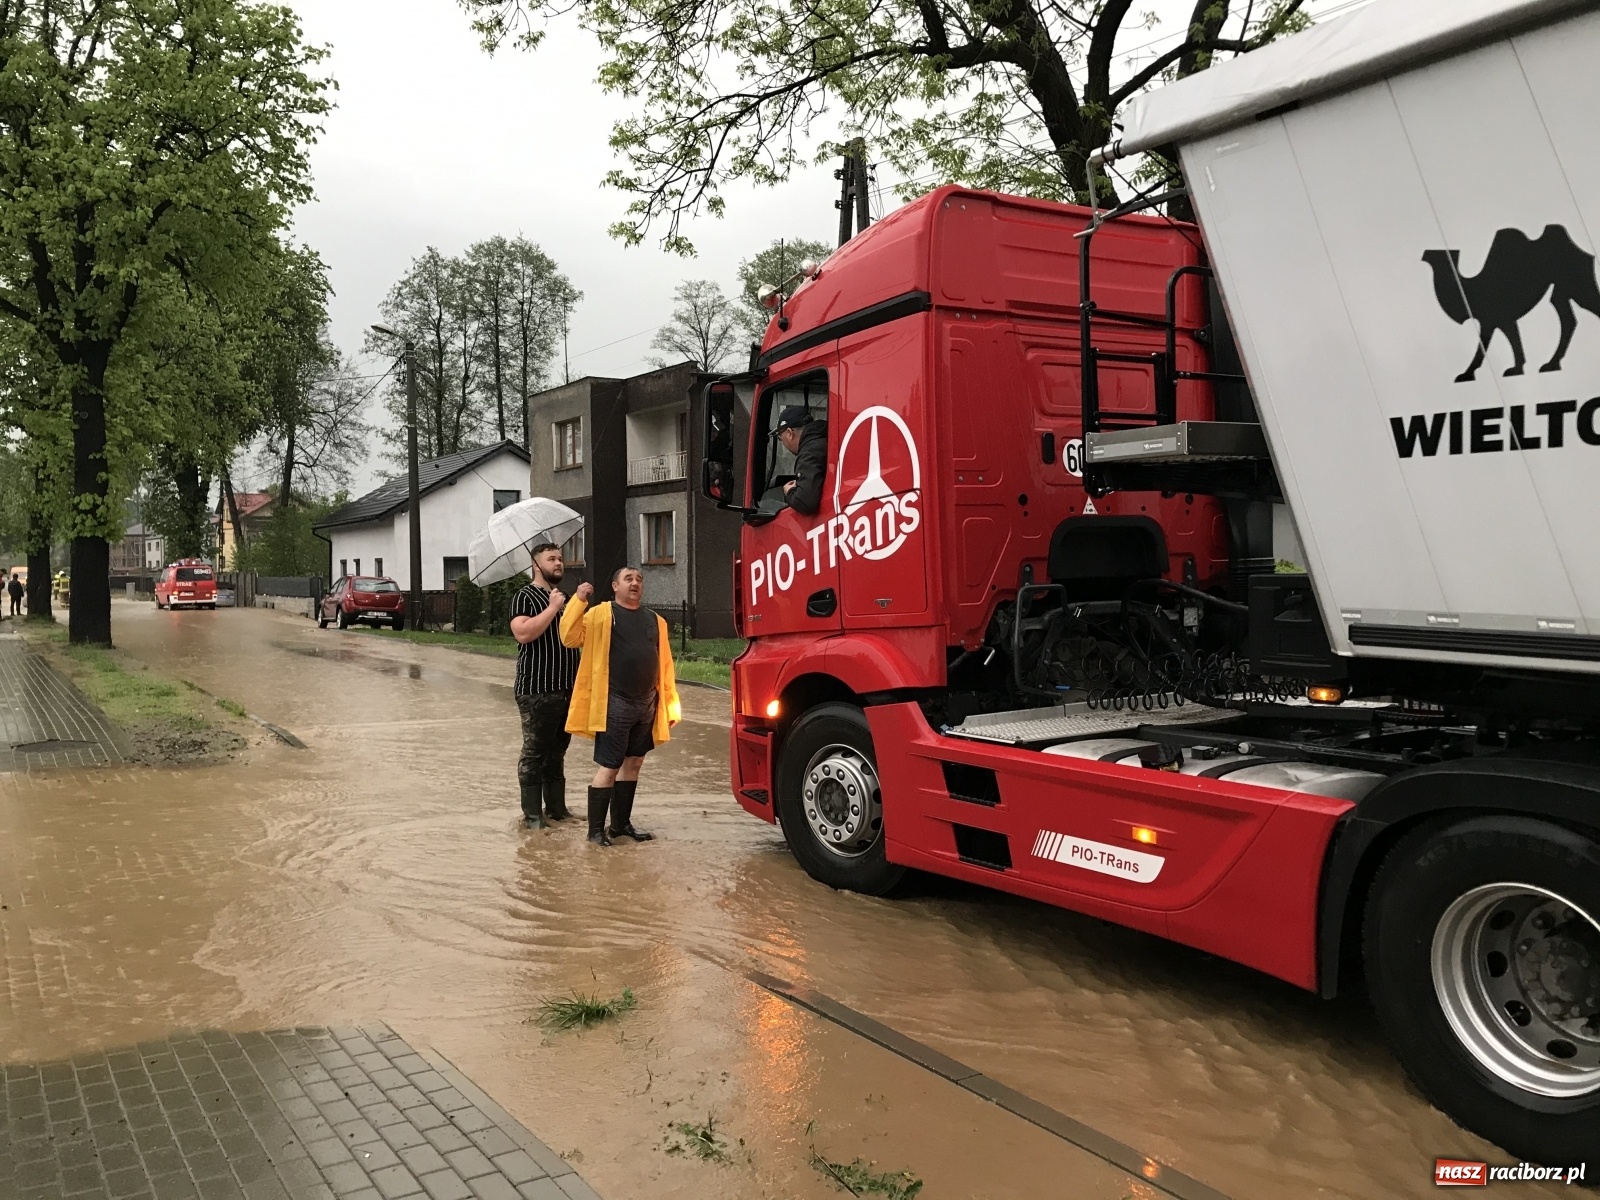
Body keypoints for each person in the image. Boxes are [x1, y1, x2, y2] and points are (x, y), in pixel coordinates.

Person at [559, 566, 681, 846]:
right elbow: (569, 637)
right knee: (610, 766)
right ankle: (595, 832)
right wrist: (578, 601)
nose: (635, 583)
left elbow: (665, 665)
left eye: (639, 579)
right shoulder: (602, 614)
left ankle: (621, 826)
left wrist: (670, 706)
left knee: (634, 763)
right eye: (628, 579)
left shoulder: (656, 620)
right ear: (615, 586)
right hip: (614, 701)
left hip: (647, 702)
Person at [509, 543, 581, 829]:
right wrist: (552, 608)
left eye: (560, 558)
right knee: (535, 751)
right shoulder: (524, 596)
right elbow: (523, 633)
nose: (559, 563)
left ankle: (557, 810)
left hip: (567, 688)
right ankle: (533, 817)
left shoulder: (563, 598)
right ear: (535, 566)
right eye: (551, 559)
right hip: (537, 688)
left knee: (557, 751)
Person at [776, 406, 828, 516]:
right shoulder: (825, 439)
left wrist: (790, 492)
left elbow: (806, 502)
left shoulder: (808, 453)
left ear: (790, 433)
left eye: (780, 437)